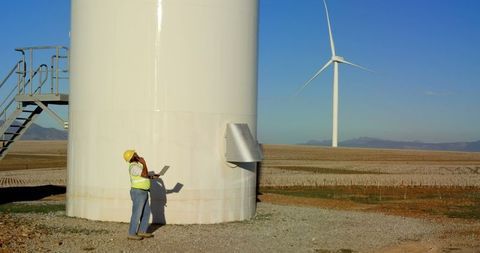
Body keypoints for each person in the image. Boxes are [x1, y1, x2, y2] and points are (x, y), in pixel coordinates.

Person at [123, 149, 157, 240]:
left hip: (144, 192)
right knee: (137, 213)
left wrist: (152, 176)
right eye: (135, 154)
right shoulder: (133, 167)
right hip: (138, 193)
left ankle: (142, 231)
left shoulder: (138, 165)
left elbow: (144, 175)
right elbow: (144, 174)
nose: (137, 154)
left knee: (146, 213)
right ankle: (131, 233)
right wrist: (144, 162)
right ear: (132, 157)